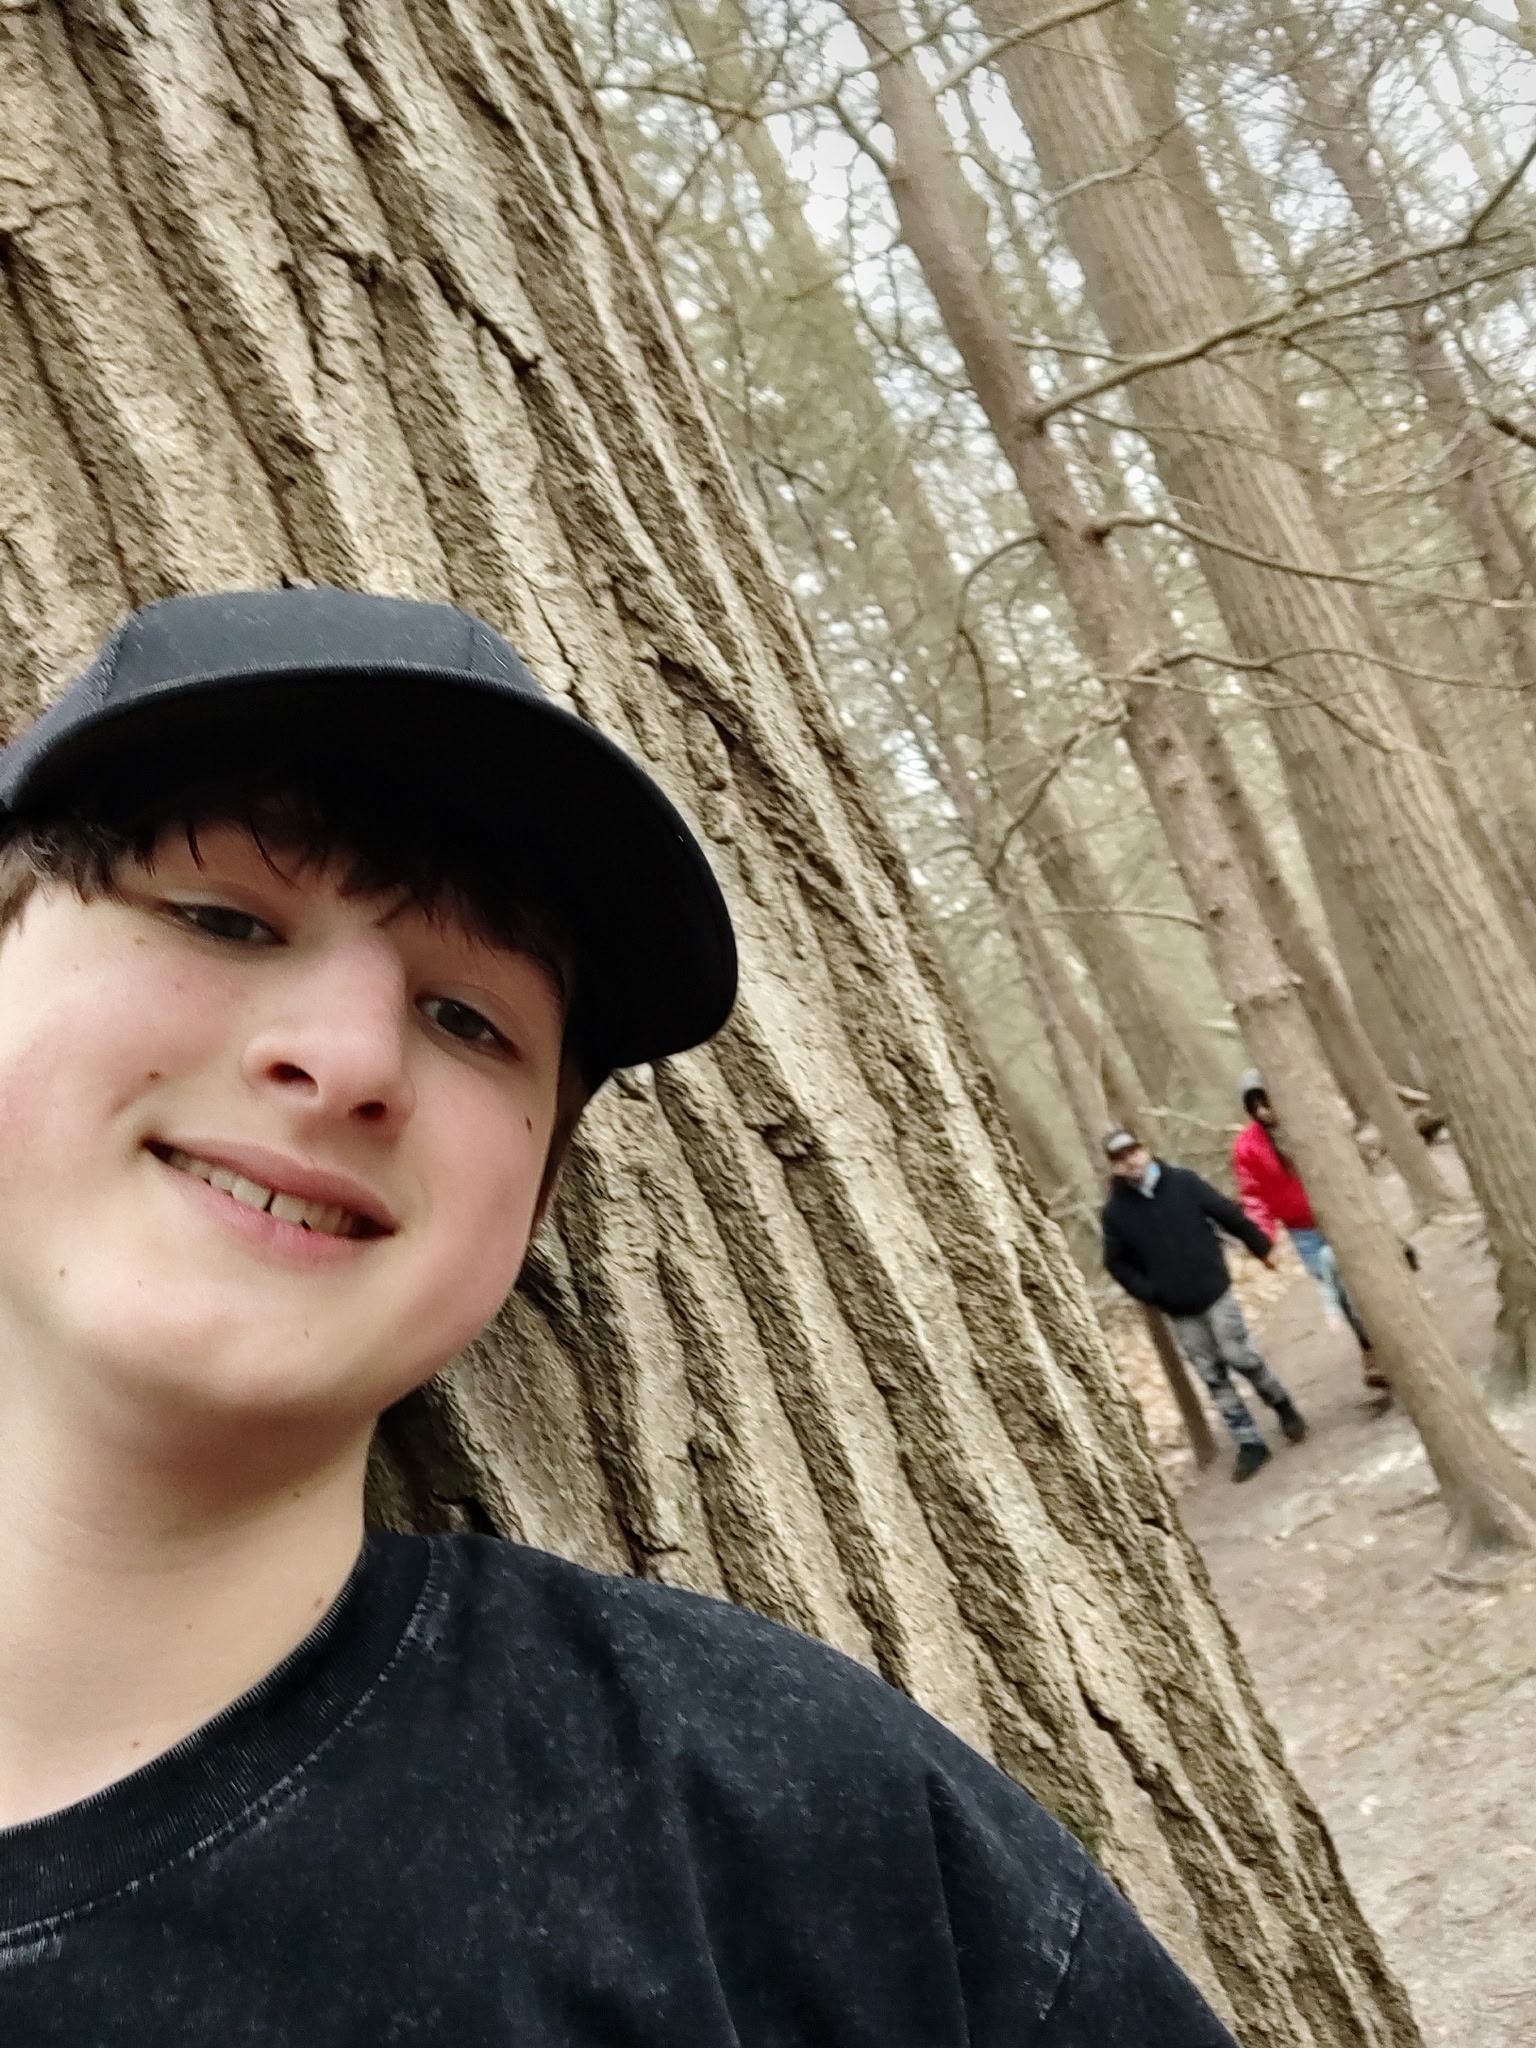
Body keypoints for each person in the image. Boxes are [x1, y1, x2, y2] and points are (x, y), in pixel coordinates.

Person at [0, 587, 1235, 2044]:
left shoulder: (796, 1831)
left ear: (532, 1200)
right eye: (223, 919)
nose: (349, 1060)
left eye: (470, 1018)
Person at [1100, 1129, 1306, 1482]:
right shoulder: (1116, 1213)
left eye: (1133, 1151)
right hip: (1178, 1308)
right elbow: (1116, 1263)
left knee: (1240, 1356)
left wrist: (1261, 1246)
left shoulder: (1183, 1182)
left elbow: (1226, 1213)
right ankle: (1249, 1441)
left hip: (1215, 1291)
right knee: (1211, 1374)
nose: (1130, 1161)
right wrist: (1150, 1291)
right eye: (1120, 1158)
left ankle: (1282, 1405)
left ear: (1144, 1149)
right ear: (1114, 1166)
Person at [1233, 1071, 1389, 1393]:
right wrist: (1263, 1240)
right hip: (1303, 1230)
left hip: (1338, 1215)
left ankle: (1388, 1339)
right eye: (1255, 1106)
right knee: (1339, 1289)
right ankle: (1371, 1351)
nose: (1263, 1111)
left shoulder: (1307, 1122)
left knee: (1366, 1277)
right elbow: (1254, 1196)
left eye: (1266, 1102)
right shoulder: (1248, 1147)